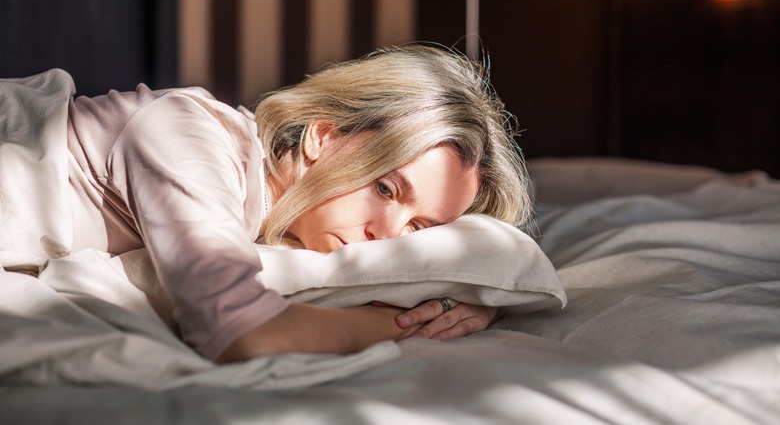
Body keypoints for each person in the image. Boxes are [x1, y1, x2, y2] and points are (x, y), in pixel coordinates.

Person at [0, 44, 532, 363]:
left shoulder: (268, 219)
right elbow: (243, 335)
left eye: (419, 228)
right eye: (385, 188)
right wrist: (416, 321)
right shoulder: (187, 136)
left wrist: (462, 295)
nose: (387, 237)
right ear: (321, 136)